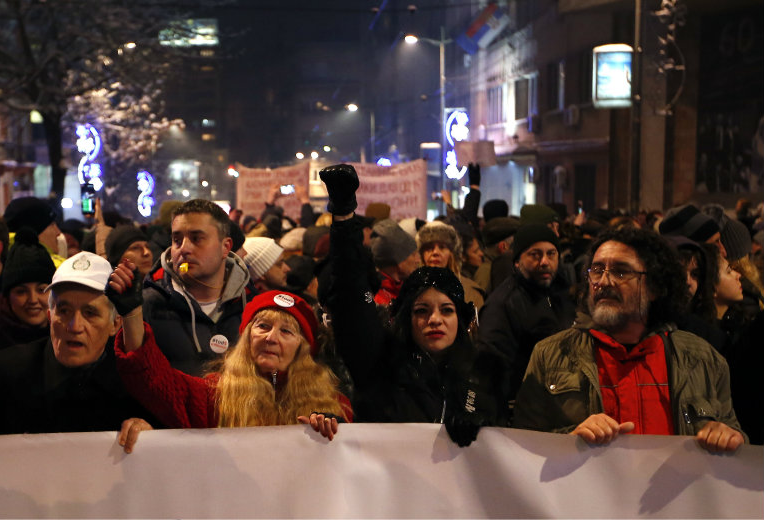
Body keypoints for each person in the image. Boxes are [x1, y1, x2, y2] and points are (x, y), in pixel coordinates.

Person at [513, 227, 746, 453]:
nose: (604, 282)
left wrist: (728, 437)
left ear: (655, 287)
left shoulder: (703, 359)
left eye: (621, 272)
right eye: (597, 270)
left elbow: (737, 439)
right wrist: (570, 440)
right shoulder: (551, 354)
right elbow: (522, 447)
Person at [318, 163, 502, 447]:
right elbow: (351, 300)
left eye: (447, 310)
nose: (435, 319)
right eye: (422, 311)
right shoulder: (382, 367)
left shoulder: (482, 371)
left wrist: (481, 418)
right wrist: (344, 217)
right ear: (407, 317)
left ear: (461, 318)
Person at [0, 251, 154, 435]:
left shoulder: (134, 384)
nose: (75, 326)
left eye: (90, 313)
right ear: (49, 316)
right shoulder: (4, 374)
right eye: (63, 311)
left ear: (115, 324)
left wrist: (152, 435)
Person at [116, 289, 352, 452]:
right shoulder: (213, 394)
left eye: (286, 331)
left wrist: (335, 432)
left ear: (303, 348)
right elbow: (155, 380)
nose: (271, 338)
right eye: (263, 326)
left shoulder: (332, 404)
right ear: (247, 337)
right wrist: (132, 314)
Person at [141, 199, 251, 376]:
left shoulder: (251, 304)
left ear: (225, 247)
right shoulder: (148, 304)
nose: (183, 249)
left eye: (197, 238)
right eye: (177, 240)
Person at [476, 223, 575, 411]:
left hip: (560, 404)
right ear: (517, 261)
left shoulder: (562, 294)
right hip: (526, 410)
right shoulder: (503, 304)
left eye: (551, 254)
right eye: (535, 255)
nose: (544, 261)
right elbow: (491, 366)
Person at [0, 227, 55, 358]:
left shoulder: (71, 340)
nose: (33, 300)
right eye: (21, 292)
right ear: (7, 297)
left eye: (42, 290)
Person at [417, 220, 485, 309]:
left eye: (442, 247)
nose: (435, 252)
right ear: (422, 255)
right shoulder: (412, 289)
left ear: (452, 254)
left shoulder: (469, 292)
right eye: (429, 248)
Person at [370, 218, 421, 306]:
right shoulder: (378, 302)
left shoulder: (405, 288)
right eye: (413, 254)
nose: (418, 260)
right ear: (398, 260)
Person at [3, 197, 65, 266]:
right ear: (33, 232)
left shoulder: (0, 265)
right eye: (52, 225)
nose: (58, 232)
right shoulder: (57, 268)